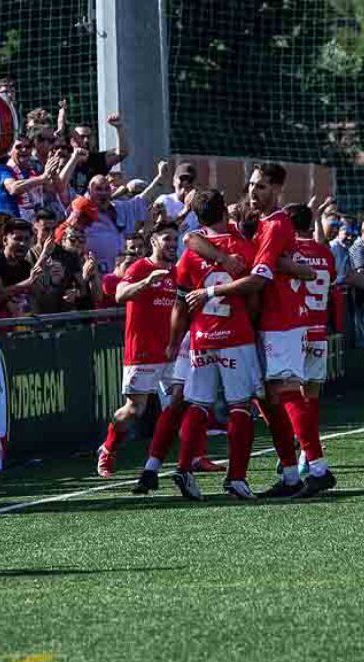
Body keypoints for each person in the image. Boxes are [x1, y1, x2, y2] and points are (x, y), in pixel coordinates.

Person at [184, 163, 334, 498]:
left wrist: (209, 292)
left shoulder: (277, 224)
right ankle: (292, 475)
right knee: (267, 397)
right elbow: (191, 237)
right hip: (267, 322)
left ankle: (319, 468)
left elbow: (260, 277)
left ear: (278, 189)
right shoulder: (257, 224)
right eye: (252, 185)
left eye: (262, 187)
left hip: (281, 319)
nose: (254, 192)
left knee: (286, 390)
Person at [167, 192, 261, 500]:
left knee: (197, 403)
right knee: (240, 406)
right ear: (224, 211)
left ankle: (183, 467)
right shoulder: (242, 247)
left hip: (201, 336)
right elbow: (254, 296)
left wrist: (173, 342)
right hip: (235, 335)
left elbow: (180, 304)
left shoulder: (189, 253)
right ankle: (236, 478)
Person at [96, 222, 179, 477]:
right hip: (143, 350)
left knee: (182, 403)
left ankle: (194, 458)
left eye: (176, 239)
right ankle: (108, 448)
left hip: (172, 351)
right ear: (153, 241)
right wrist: (146, 282)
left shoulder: (177, 272)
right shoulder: (140, 267)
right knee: (135, 410)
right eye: (167, 239)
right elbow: (120, 294)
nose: (172, 244)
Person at [285, 204, 339, 474]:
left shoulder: (289, 252)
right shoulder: (325, 253)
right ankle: (309, 453)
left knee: (287, 395)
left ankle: (295, 452)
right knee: (312, 397)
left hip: (292, 330)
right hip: (319, 331)